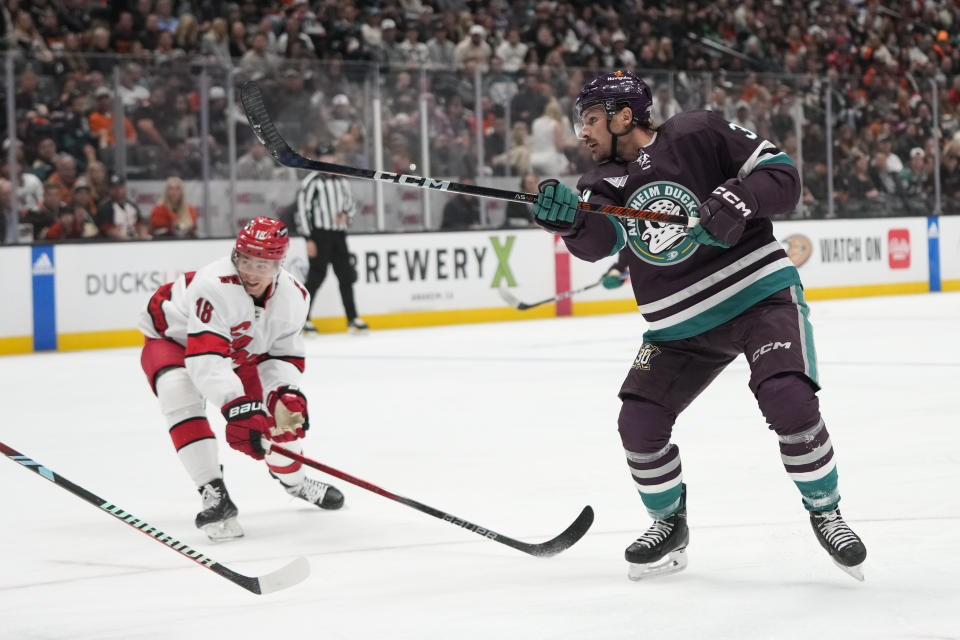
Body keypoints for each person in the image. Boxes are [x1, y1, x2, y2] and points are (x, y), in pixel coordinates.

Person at [531, 70, 866, 581]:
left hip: (757, 295)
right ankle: (670, 522)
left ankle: (827, 510)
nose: (584, 132)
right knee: (638, 423)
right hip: (678, 328)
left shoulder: (696, 131)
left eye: (593, 120)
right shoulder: (600, 183)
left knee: (788, 398)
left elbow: (782, 176)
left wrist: (741, 197)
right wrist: (572, 221)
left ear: (625, 116)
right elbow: (600, 240)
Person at [138, 217, 345, 541]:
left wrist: (282, 392)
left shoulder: (295, 297)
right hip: (174, 341)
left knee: (282, 417)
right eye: (244, 260)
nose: (250, 272)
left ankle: (297, 482)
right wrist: (237, 406)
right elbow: (206, 359)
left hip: (239, 351)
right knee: (177, 392)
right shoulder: (213, 284)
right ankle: (214, 492)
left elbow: (281, 355)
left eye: (261, 265)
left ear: (278, 264)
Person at [295, 147, 368, 334]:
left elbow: (351, 203)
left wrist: (346, 214)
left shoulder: (342, 179)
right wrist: (308, 238)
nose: (329, 162)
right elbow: (303, 210)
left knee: (346, 276)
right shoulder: (312, 181)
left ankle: (352, 318)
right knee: (316, 277)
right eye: (325, 159)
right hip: (320, 235)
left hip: (339, 235)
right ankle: (303, 319)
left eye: (331, 159)